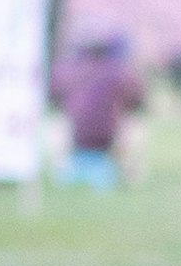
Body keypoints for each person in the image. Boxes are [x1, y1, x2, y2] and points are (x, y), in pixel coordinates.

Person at [57, 30, 145, 186]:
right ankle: (129, 176)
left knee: (58, 119)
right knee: (134, 124)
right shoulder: (119, 73)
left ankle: (63, 168)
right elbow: (138, 101)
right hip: (107, 140)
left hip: (75, 138)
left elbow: (55, 98)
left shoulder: (69, 70)